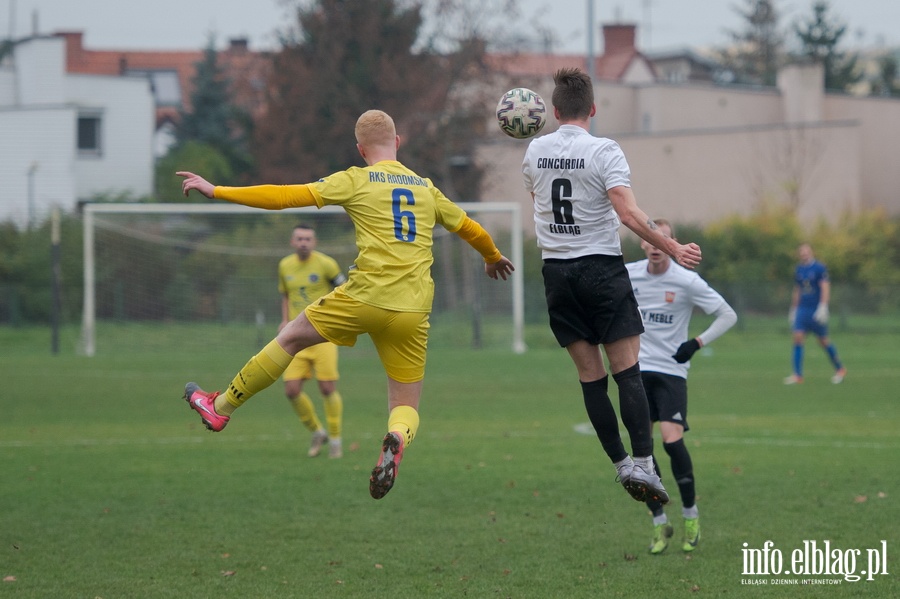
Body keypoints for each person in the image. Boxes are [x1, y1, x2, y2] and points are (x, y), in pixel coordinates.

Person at [177, 109, 515, 500]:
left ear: (360, 149)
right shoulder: (426, 188)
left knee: (290, 338)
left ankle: (220, 406)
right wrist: (491, 256)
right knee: (405, 402)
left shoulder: (355, 179)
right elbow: (469, 227)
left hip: (364, 296)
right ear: (398, 143)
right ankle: (396, 436)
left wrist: (218, 191)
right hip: (413, 309)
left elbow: (286, 196)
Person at [522, 67, 703, 506]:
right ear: (594, 109)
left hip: (557, 274)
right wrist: (672, 246)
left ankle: (621, 465)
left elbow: (539, 199)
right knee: (627, 371)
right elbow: (628, 213)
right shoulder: (604, 149)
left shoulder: (534, 151)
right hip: (600, 269)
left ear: (555, 109)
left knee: (590, 378)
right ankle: (643, 462)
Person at [626, 218, 737, 554]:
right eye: (651, 239)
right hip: (635, 371)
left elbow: (727, 314)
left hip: (672, 372)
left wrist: (696, 343)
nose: (657, 246)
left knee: (673, 443)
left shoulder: (686, 280)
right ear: (643, 243)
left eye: (664, 240)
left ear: (672, 243)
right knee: (643, 455)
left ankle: (691, 515)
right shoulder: (628, 274)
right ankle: (659, 523)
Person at [278, 224, 348, 459]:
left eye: (308, 238)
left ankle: (336, 440)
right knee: (291, 390)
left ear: (314, 242)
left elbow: (346, 290)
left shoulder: (327, 264)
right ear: (292, 242)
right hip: (296, 336)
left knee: (327, 387)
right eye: (299, 238)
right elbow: (286, 295)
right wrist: (284, 320)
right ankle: (318, 432)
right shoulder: (284, 265)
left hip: (322, 335)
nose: (303, 242)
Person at [785, 243, 846, 385]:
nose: (804, 254)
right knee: (797, 337)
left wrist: (823, 306)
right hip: (802, 309)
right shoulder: (799, 269)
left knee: (823, 341)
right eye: (801, 252)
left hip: (815, 308)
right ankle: (797, 375)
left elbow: (825, 287)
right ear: (799, 254)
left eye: (806, 252)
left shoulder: (819, 268)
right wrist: (794, 308)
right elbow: (798, 289)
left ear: (811, 252)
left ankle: (840, 369)